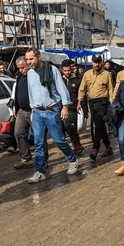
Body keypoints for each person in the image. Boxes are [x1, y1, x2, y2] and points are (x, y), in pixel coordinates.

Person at [25, 48, 79, 183]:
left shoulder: (52, 70)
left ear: (38, 57)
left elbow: (61, 88)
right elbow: (31, 92)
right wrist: (32, 109)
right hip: (37, 112)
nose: (29, 62)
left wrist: (65, 106)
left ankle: (72, 160)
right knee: (38, 143)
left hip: (51, 111)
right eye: (27, 59)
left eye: (31, 59)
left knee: (59, 140)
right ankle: (40, 171)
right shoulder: (30, 73)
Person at [77, 54, 115, 161]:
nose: (97, 64)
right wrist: (79, 102)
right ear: (92, 62)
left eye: (99, 62)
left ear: (101, 62)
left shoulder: (107, 74)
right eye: (95, 62)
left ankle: (95, 148)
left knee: (98, 124)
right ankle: (108, 147)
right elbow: (82, 89)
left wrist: (112, 101)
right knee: (100, 126)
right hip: (92, 103)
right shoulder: (87, 74)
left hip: (103, 102)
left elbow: (111, 89)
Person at [10, 57, 34, 170]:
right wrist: (16, 108)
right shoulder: (19, 76)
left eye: (22, 67)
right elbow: (17, 92)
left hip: (34, 111)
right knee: (18, 133)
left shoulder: (34, 76)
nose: (20, 70)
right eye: (19, 68)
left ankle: (43, 159)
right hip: (21, 111)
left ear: (28, 65)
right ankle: (26, 159)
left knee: (39, 136)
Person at [61, 59, 85, 155]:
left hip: (72, 109)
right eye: (65, 71)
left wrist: (83, 109)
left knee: (70, 127)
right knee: (63, 127)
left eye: (68, 70)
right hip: (61, 108)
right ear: (62, 70)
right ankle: (71, 146)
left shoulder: (76, 81)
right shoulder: (60, 80)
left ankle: (77, 145)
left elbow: (81, 95)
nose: (67, 72)